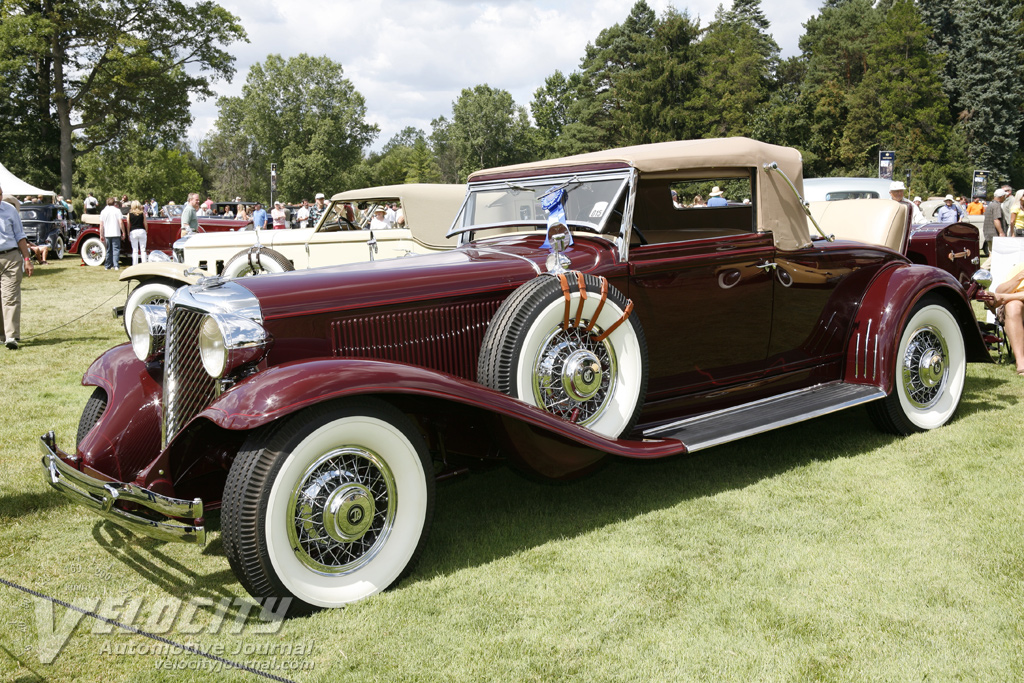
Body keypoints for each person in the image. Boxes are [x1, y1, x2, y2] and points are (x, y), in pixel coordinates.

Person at [0, 188, 35, 349]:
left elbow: (20, 236)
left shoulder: (10, 210)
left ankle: (11, 336)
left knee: (10, 297)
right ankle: (2, 334)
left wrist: (27, 259)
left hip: (11, 257)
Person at [990, 263, 1024, 375]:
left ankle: (1009, 299)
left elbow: (1000, 297)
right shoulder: (1020, 267)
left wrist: (1006, 298)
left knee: (1010, 302)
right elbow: (998, 292)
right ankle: (1021, 362)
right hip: (1017, 311)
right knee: (1012, 306)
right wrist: (1018, 277)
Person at [99, 197, 125, 270]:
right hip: (116, 232)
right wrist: (123, 232)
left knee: (108, 250)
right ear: (114, 203)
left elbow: (101, 224)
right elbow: (120, 222)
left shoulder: (103, 211)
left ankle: (107, 265)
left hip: (107, 233)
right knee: (116, 249)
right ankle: (116, 265)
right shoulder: (117, 211)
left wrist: (101, 234)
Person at [983, 189, 1007, 255]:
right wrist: (1001, 233)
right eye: (1004, 196)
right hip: (995, 234)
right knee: (996, 255)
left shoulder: (990, 204)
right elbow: (996, 219)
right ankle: (984, 266)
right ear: (1001, 196)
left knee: (992, 254)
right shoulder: (996, 206)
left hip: (989, 233)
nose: (1005, 197)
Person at [127, 200, 148, 265]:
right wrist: (146, 230)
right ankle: (144, 263)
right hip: (141, 230)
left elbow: (128, 224)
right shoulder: (142, 213)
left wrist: (128, 233)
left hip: (133, 231)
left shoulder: (129, 214)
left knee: (135, 250)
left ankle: (135, 264)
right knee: (143, 249)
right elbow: (145, 223)